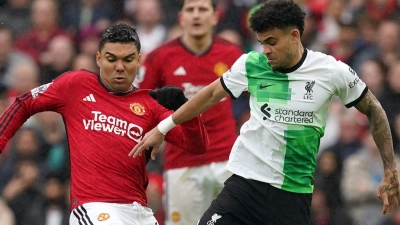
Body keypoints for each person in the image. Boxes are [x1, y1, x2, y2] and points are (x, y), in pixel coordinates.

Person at [130, 1, 400, 224]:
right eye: (261, 42)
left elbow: (375, 111)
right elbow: (211, 95)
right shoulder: (252, 64)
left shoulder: (331, 71)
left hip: (293, 192)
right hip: (246, 181)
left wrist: (390, 170)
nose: (265, 50)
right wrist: (162, 128)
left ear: (294, 36)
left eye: (271, 42)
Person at [0, 23, 209, 225]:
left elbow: (197, 146)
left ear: (138, 60)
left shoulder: (149, 104)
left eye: (128, 59)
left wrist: (185, 109)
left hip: (139, 212)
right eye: (112, 59)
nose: (120, 67)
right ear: (99, 59)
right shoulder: (76, 85)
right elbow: (24, 102)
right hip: (94, 208)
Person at [134, 0, 244, 224]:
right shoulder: (160, 57)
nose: (196, 15)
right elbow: (140, 101)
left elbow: (255, 99)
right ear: (181, 17)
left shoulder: (232, 53)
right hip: (181, 162)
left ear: (215, 17)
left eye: (203, 10)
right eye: (190, 10)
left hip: (228, 160)